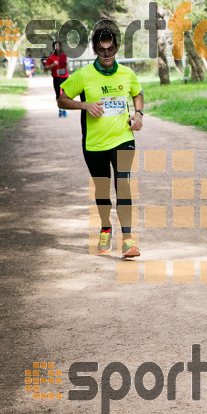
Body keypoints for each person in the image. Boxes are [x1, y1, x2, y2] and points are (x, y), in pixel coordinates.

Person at [57, 26, 144, 258]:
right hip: (94, 144)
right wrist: (84, 105)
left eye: (111, 49)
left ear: (116, 47)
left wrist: (139, 114)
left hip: (123, 139)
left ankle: (128, 239)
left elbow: (138, 93)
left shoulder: (127, 74)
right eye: (102, 50)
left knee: (123, 185)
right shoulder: (84, 75)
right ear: (95, 49)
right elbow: (61, 100)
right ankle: (106, 227)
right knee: (103, 189)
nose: (107, 54)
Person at [45, 41, 70, 117]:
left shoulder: (64, 56)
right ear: (53, 48)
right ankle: (60, 109)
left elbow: (67, 64)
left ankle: (64, 109)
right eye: (56, 46)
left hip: (65, 77)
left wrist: (67, 63)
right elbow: (46, 68)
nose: (57, 48)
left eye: (58, 46)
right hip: (57, 77)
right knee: (58, 95)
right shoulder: (51, 57)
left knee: (65, 94)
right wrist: (53, 64)